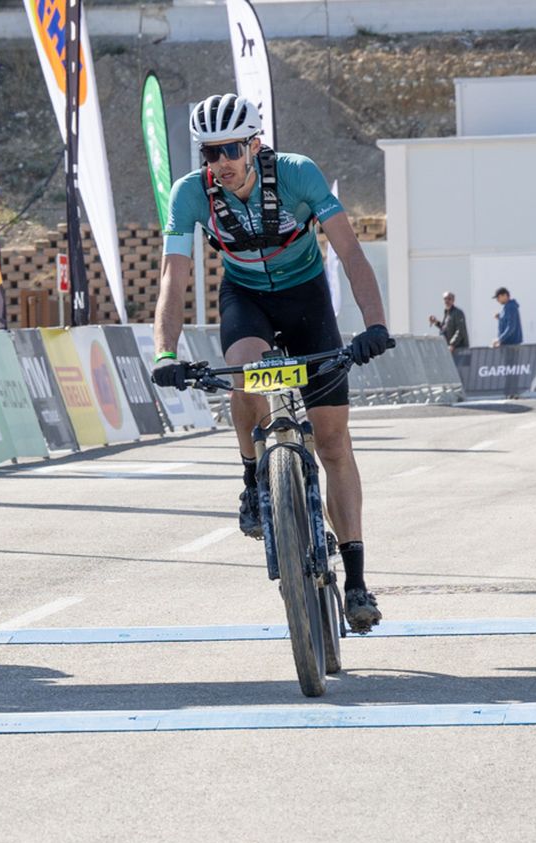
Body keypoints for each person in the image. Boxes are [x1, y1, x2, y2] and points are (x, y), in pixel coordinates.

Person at [147, 93, 391, 632]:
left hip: (307, 299)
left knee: (332, 443)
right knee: (243, 374)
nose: (221, 162)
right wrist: (164, 351)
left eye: (231, 149)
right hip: (246, 298)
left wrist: (374, 325)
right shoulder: (191, 194)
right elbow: (174, 276)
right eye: (210, 153)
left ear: (255, 144)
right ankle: (254, 478)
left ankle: (355, 581)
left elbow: (350, 252)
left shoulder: (299, 174)